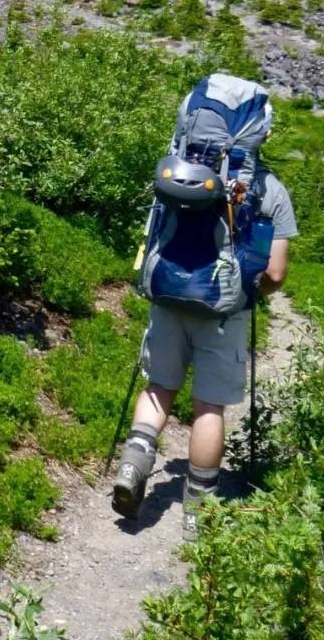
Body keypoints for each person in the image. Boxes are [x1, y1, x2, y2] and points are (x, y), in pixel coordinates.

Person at [112, 104, 297, 541]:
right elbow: (276, 274)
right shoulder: (270, 190)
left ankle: (131, 467)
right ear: (259, 136)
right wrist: (247, 296)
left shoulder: (181, 170)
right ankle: (197, 515)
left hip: (169, 299)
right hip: (224, 313)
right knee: (208, 408)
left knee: (159, 389)